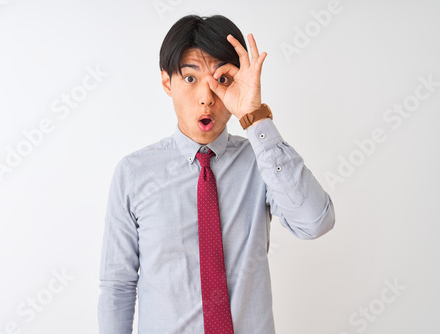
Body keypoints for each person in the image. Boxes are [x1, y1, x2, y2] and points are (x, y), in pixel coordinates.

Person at [98, 14, 335, 334]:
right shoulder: (134, 173)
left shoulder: (262, 162)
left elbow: (315, 222)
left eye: (221, 79)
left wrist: (255, 118)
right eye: (191, 78)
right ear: (167, 82)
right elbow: (118, 286)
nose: (207, 97)